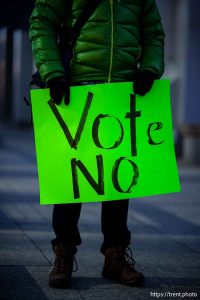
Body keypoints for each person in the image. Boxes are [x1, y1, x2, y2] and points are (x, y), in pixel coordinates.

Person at [29, 0, 165, 289]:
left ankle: (114, 256)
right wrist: (53, 72)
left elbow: (153, 32)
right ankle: (63, 254)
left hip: (123, 92)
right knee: (69, 184)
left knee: (120, 180)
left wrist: (150, 69)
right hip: (74, 89)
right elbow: (41, 22)